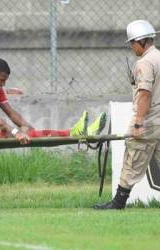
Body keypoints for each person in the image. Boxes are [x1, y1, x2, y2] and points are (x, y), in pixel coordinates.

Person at [0, 58, 106, 143]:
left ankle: (81, 132)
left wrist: (27, 128)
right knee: (10, 133)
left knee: (32, 133)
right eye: (1, 80)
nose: (3, 84)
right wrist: (17, 133)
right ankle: (74, 132)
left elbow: (11, 113)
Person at [94, 20, 160, 210]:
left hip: (149, 120)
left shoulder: (145, 63)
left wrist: (138, 123)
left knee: (133, 156)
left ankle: (118, 202)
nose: (132, 47)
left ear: (141, 41)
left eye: (132, 43)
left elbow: (145, 93)